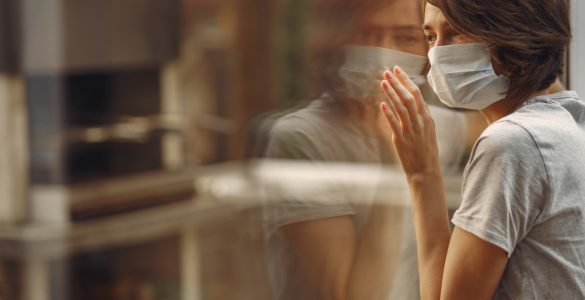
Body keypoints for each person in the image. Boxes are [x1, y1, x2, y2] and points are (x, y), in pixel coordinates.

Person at [262, 0, 476, 299]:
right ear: (340, 40)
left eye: (405, 38)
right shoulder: (300, 137)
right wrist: (392, 156)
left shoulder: (426, 123)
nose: (382, 53)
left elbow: (503, 118)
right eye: (366, 34)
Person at [378, 0, 585, 299]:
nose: (438, 53)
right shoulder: (569, 122)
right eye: (431, 37)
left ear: (512, 34)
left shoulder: (511, 143)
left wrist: (422, 174)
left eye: (457, 33)